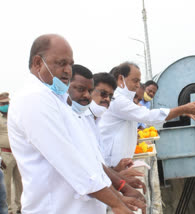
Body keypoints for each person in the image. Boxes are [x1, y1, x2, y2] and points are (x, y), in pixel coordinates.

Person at [8, 34, 133, 214]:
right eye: (61, 63)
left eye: (70, 64)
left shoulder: (57, 99)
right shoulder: (32, 99)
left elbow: (89, 160)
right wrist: (117, 204)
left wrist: (119, 197)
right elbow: (71, 162)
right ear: (37, 63)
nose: (68, 70)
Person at [98, 62, 195, 167]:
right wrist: (182, 109)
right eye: (135, 81)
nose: (137, 85)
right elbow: (149, 116)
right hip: (112, 162)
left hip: (120, 161)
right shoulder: (118, 99)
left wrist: (182, 111)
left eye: (139, 81)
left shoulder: (124, 99)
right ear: (120, 78)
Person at [68, 65, 146, 212]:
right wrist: (120, 194)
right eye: (103, 94)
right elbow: (86, 173)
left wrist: (119, 177)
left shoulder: (92, 122)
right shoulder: (74, 122)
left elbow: (97, 166)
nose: (107, 99)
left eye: (110, 96)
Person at [0, 93, 22, 214]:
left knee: (20, 183)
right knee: (6, 184)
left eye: (7, 103)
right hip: (5, 155)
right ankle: (8, 209)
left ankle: (20, 207)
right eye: (3, 104)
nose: (5, 106)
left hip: (17, 154)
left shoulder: (13, 116)